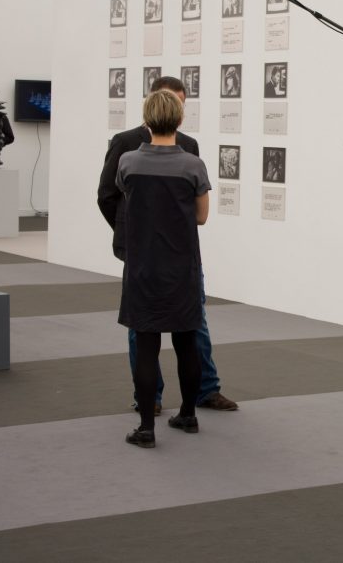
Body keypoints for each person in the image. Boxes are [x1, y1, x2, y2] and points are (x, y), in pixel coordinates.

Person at [98, 76, 238, 414]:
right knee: (143, 328)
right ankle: (150, 398)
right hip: (142, 250)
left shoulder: (189, 147)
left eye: (180, 103)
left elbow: (191, 208)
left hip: (179, 252)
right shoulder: (125, 144)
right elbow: (107, 195)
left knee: (193, 322)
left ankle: (205, 390)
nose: (175, 108)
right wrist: (132, 233)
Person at [118, 89, 208, 448]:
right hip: (182, 266)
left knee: (146, 344)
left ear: (147, 119)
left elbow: (125, 198)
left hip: (143, 266)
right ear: (180, 119)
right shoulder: (193, 165)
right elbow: (201, 217)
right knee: (187, 342)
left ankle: (145, 428)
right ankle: (188, 414)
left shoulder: (128, 161)